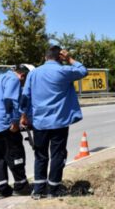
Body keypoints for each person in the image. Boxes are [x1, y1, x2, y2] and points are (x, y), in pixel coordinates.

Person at [20, 45, 87, 199]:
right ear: (60, 57)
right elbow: (83, 71)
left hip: (39, 123)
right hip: (59, 122)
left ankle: (38, 190)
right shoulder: (64, 71)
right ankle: (53, 189)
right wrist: (70, 59)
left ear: (45, 57)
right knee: (58, 155)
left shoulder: (34, 73)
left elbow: (25, 97)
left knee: (40, 155)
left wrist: (23, 115)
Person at [0, 64, 34, 199]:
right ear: (22, 75)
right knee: (15, 153)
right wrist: (15, 121)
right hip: (4, 124)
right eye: (25, 80)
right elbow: (10, 100)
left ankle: (2, 190)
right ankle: (21, 186)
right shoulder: (13, 80)